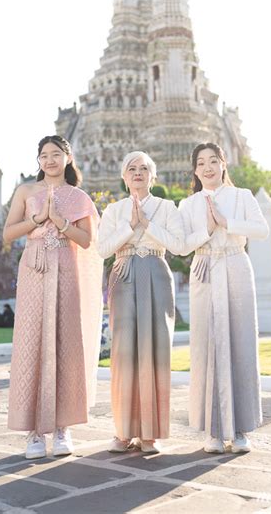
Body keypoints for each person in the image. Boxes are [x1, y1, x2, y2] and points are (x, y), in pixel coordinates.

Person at [4, 135, 103, 459]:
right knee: (32, 342)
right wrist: (37, 219)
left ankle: (63, 427)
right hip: (34, 268)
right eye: (44, 155)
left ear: (68, 158)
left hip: (65, 267)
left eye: (56, 154)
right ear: (38, 161)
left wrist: (60, 222)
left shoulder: (78, 197)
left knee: (65, 343)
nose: (49, 161)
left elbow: (87, 241)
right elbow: (8, 234)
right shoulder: (26, 192)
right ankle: (34, 431)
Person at [178, 143, 269, 454]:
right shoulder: (188, 204)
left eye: (213, 161)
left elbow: (262, 230)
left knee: (240, 342)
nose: (207, 167)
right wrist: (207, 227)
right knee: (206, 347)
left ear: (223, 164)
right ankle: (214, 430)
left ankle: (241, 428)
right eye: (201, 162)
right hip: (204, 267)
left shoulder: (242, 196)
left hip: (235, 264)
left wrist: (227, 223)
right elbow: (181, 246)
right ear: (194, 170)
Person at [97, 151, 184, 454]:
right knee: (123, 352)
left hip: (157, 271)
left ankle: (150, 433)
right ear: (124, 176)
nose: (137, 173)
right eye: (131, 168)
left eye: (144, 168)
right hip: (123, 272)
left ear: (152, 175)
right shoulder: (113, 210)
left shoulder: (167, 207)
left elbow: (179, 246)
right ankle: (124, 431)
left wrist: (146, 225)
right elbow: (102, 249)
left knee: (155, 349)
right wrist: (128, 227)